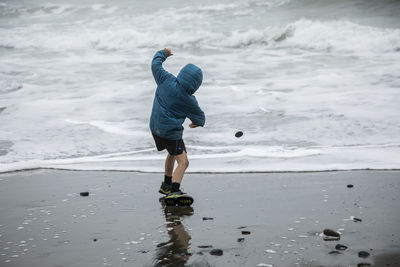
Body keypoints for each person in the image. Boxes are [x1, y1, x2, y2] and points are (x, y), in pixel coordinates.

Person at [149, 48, 205, 205]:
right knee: (184, 162)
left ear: (181, 74)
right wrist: (197, 123)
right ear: (195, 85)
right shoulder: (189, 100)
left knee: (171, 153)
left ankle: (167, 184)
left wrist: (163, 53)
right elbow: (200, 116)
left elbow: (155, 65)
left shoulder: (165, 79)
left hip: (155, 128)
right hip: (170, 132)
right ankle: (174, 191)